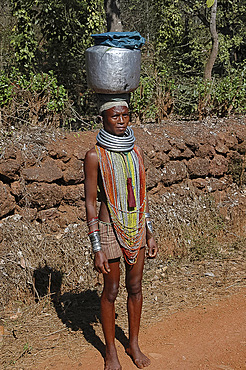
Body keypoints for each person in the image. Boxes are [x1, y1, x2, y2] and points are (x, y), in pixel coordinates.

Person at [84, 100, 158, 370]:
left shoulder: (135, 152)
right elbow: (91, 202)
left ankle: (133, 343)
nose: (121, 120)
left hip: (136, 224)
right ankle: (110, 351)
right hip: (109, 227)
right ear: (103, 118)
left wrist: (149, 232)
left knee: (136, 286)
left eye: (126, 115)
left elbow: (141, 195)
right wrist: (97, 247)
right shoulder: (95, 156)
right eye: (115, 116)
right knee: (111, 290)